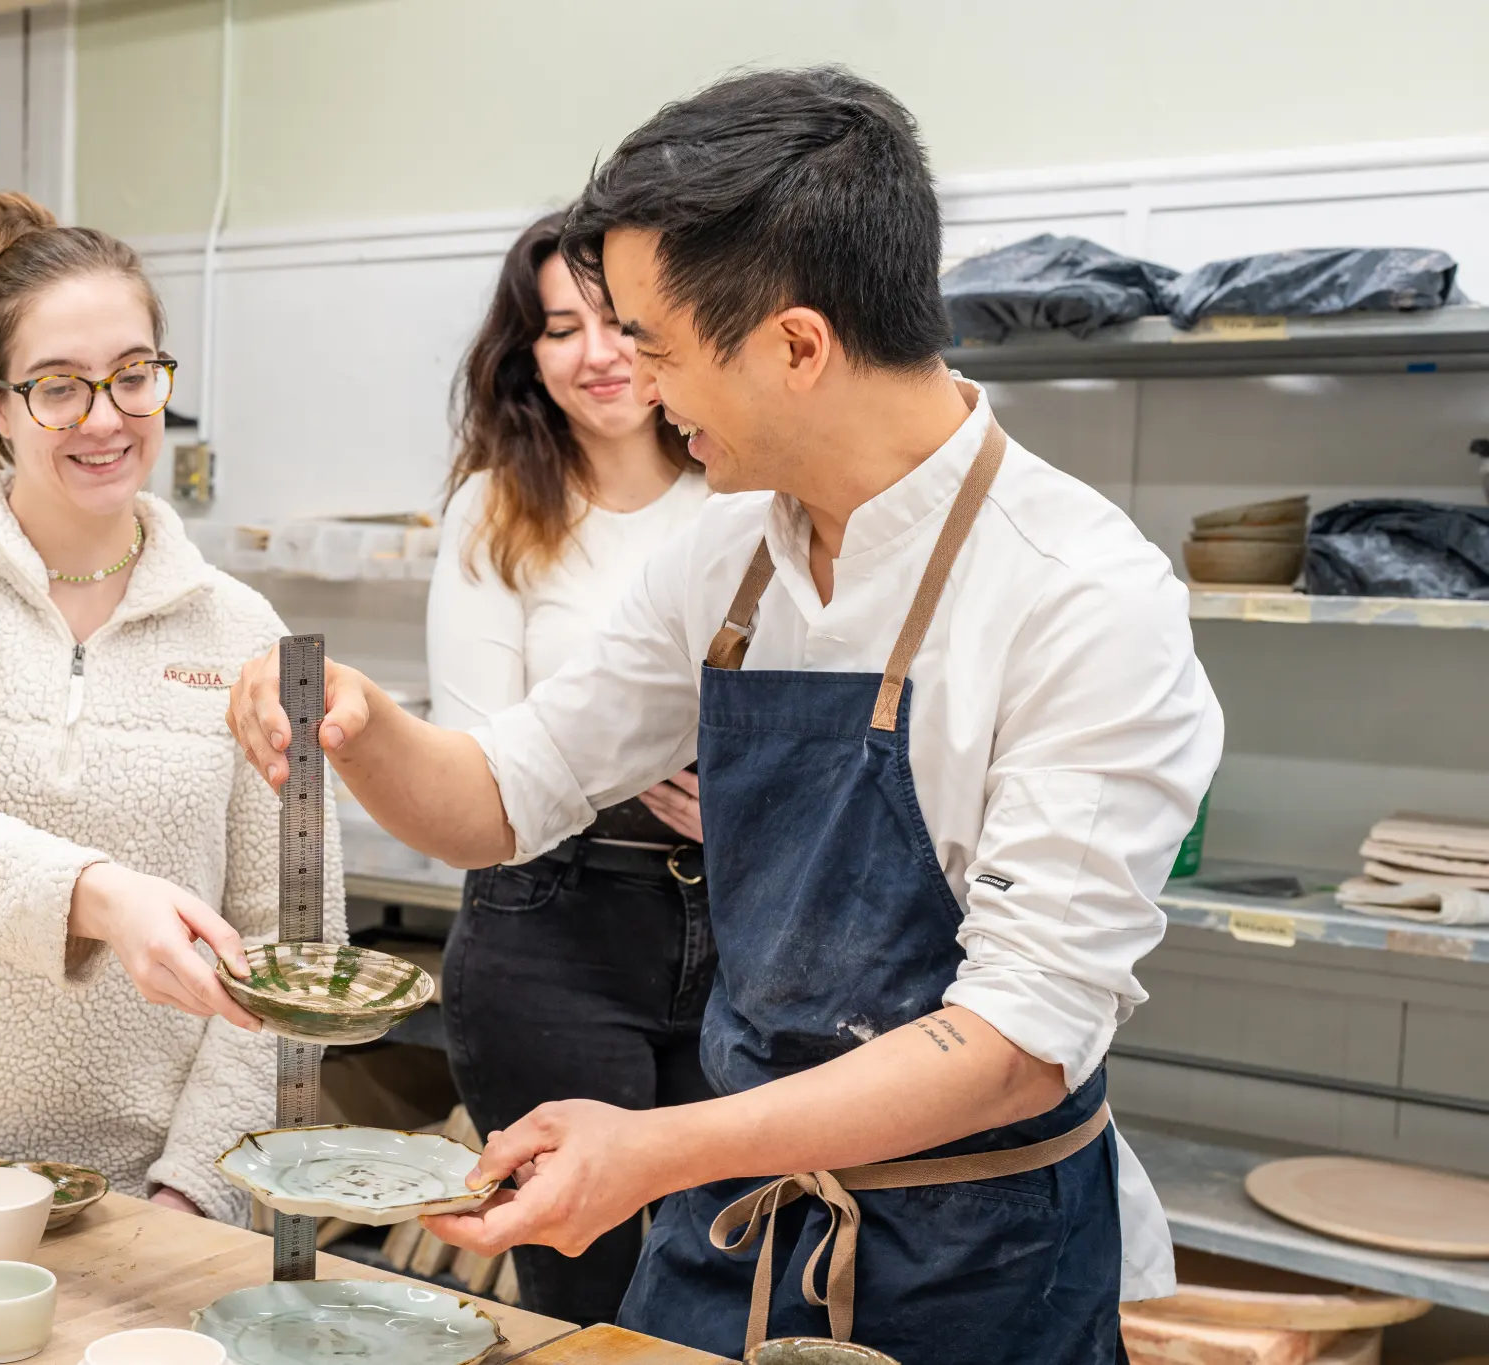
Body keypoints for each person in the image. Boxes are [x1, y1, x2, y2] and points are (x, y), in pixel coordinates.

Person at [217, 69, 1222, 1363]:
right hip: (734, 1233)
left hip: (975, 1256)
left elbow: (1018, 1040)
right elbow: (497, 802)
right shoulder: (727, 562)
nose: (627, 376)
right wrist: (364, 724)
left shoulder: (1080, 592)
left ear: (797, 346)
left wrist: (652, 1148)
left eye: (653, 341)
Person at [0, 191, 343, 1227]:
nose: (105, 418)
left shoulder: (243, 630)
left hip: (145, 1186)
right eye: (57, 388)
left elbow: (290, 937)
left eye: (133, 376)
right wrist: (101, 895)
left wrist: (196, 1185)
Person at [430, 209, 712, 1326]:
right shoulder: (495, 510)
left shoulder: (739, 496)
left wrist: (748, 810)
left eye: (618, 322)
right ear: (525, 357)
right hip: (549, 916)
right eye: (558, 329)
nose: (594, 354)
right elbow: (475, 755)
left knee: (723, 1261)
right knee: (579, 1285)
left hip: (740, 919)